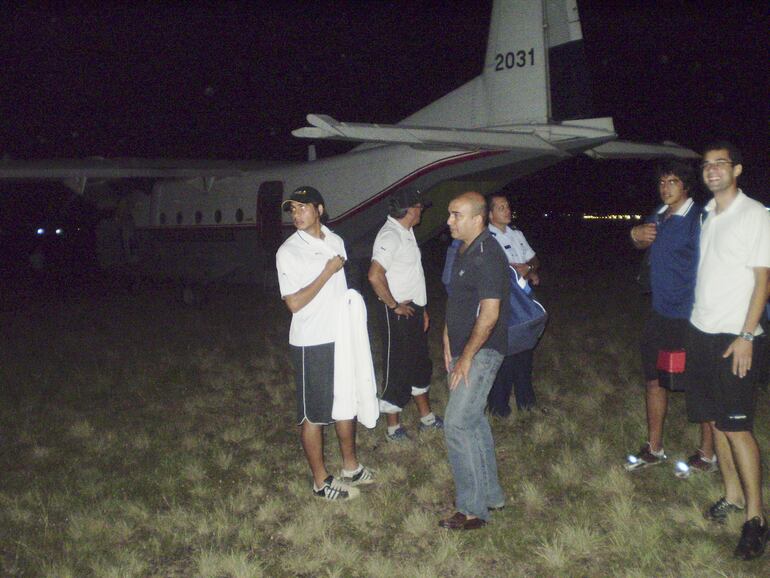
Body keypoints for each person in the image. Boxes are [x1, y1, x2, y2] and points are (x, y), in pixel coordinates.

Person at [685, 142, 770, 560]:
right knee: (716, 423)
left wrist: (748, 335)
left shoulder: (756, 215)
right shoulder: (707, 215)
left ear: (736, 169)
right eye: (706, 165)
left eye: (720, 163)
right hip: (701, 331)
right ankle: (732, 495)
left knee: (737, 427)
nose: (712, 170)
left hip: (735, 336)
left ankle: (756, 518)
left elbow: (762, 281)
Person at [276, 186, 375, 501]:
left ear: (319, 209)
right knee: (314, 415)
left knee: (345, 403)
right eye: (292, 209)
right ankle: (320, 482)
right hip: (311, 342)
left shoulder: (336, 241)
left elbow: (344, 289)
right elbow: (294, 303)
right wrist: (326, 271)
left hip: (340, 338)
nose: (296, 214)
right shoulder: (288, 251)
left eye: (302, 208)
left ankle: (351, 466)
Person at [624, 161, 715, 474]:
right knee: (653, 380)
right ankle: (654, 447)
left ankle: (707, 454)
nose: (666, 187)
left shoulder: (699, 219)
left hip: (691, 316)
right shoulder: (660, 215)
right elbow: (640, 243)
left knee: (700, 384)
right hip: (660, 314)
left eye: (673, 181)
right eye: (662, 181)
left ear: (686, 185)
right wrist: (635, 234)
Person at [439, 191, 509, 530]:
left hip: (482, 352)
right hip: (464, 350)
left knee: (455, 423)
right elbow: (459, 302)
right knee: (474, 422)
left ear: (477, 220)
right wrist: (447, 340)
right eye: (450, 215)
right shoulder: (463, 249)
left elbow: (490, 314)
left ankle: (471, 510)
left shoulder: (488, 254)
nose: (449, 221)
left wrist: (466, 356)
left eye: (456, 215)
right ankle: (492, 496)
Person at [367, 187, 443, 442]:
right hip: (397, 314)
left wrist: (422, 310)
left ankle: (427, 418)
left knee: (420, 363)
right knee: (397, 367)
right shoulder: (390, 235)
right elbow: (374, 275)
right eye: (420, 206)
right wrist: (393, 305)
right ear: (411, 209)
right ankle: (393, 428)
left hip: (413, 310)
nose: (422, 210)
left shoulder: (406, 232)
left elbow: (412, 276)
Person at [485, 193, 541, 415]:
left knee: (525, 348)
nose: (507, 210)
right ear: (490, 215)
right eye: (500, 208)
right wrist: (515, 270)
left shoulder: (516, 234)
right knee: (504, 352)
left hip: (524, 300)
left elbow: (533, 259)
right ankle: (499, 407)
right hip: (504, 302)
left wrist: (530, 270)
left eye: (507, 206)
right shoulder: (488, 239)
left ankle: (526, 403)